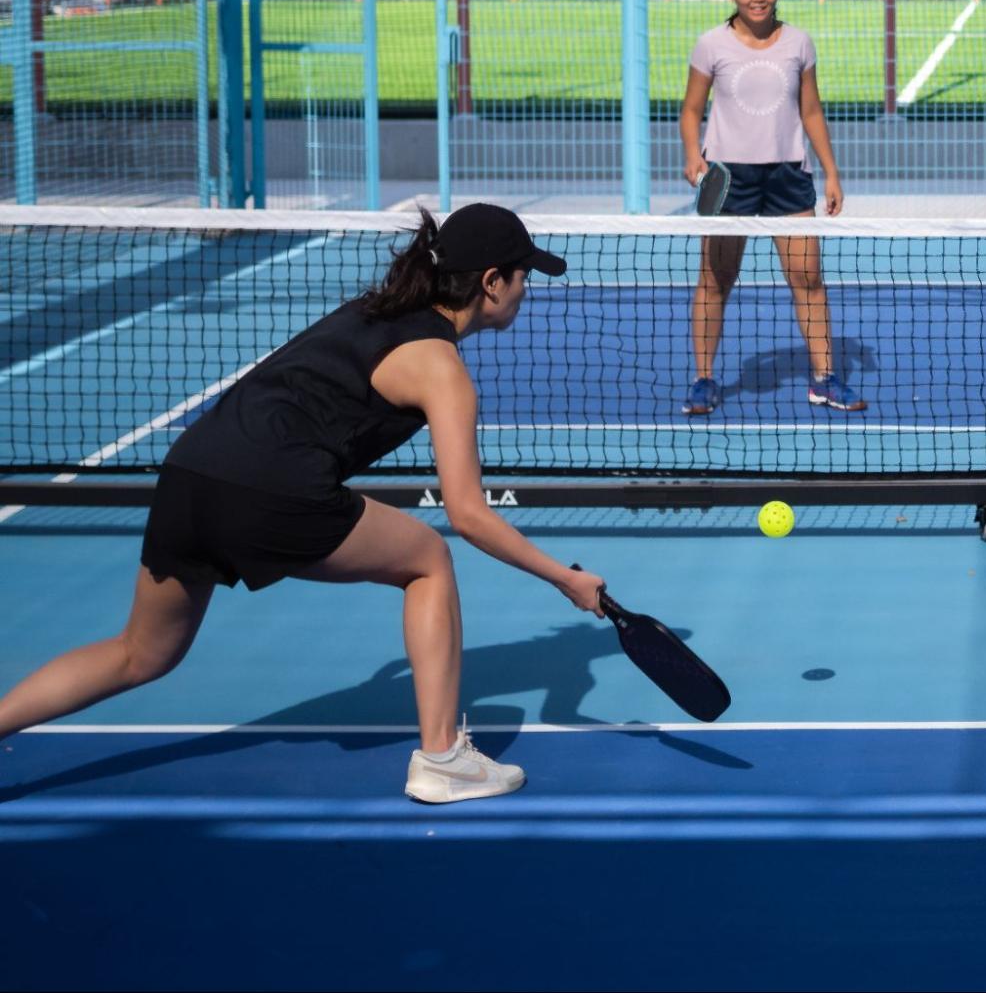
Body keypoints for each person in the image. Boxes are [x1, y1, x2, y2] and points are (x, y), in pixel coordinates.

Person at [0, 205, 605, 804]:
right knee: (428, 560)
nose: (527, 289)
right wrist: (563, 578)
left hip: (191, 471)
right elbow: (467, 512)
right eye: (523, 275)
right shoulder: (442, 368)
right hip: (271, 485)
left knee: (140, 652)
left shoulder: (374, 310)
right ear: (492, 281)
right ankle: (443, 758)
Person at [677, 0, 864, 416]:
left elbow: (811, 111)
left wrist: (832, 173)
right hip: (727, 178)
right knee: (715, 280)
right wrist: (689, 154)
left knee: (808, 279)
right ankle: (703, 380)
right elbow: (691, 110)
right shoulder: (710, 45)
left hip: (787, 176)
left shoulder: (799, 43)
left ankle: (824, 378)